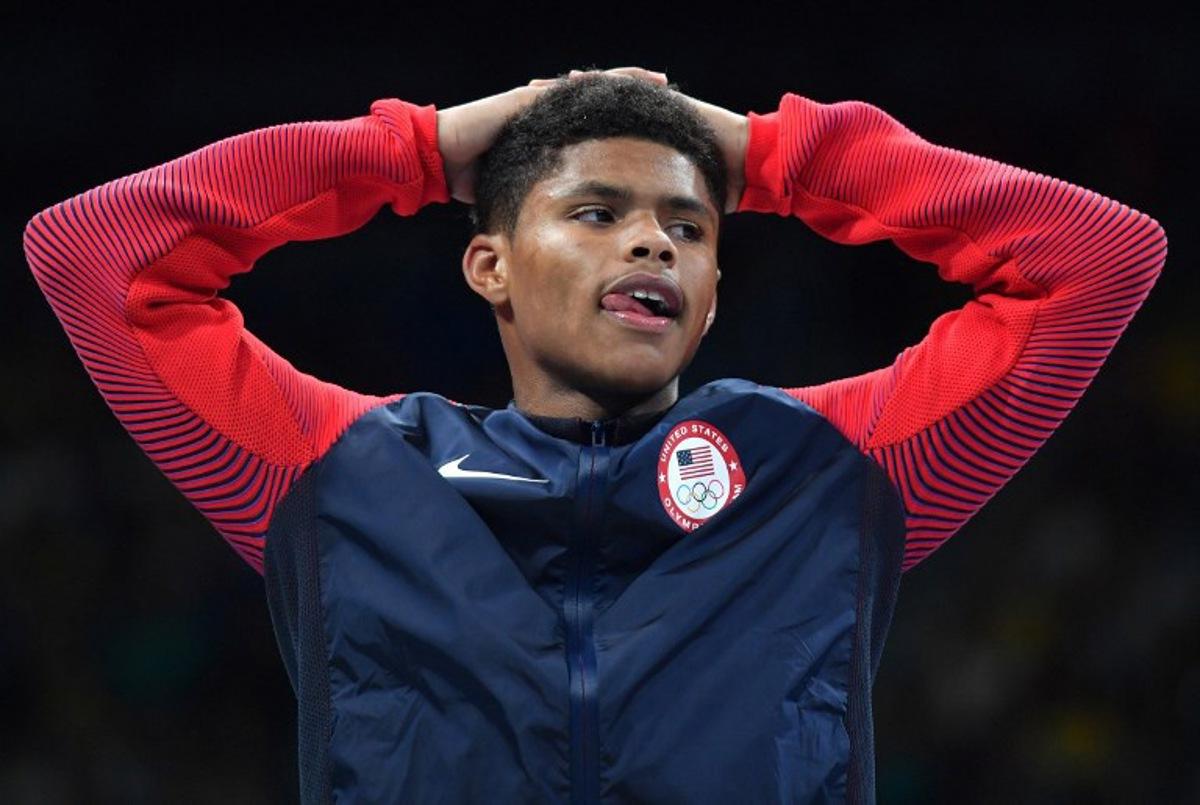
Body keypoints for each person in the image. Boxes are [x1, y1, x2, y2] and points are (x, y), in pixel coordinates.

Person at [22, 66, 1167, 803]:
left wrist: (770, 156)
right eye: (597, 213)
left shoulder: (826, 468)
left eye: (687, 226)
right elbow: (96, 255)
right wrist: (419, 151)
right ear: (491, 266)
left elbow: (1096, 259)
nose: (654, 244)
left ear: (714, 293)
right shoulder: (343, 472)